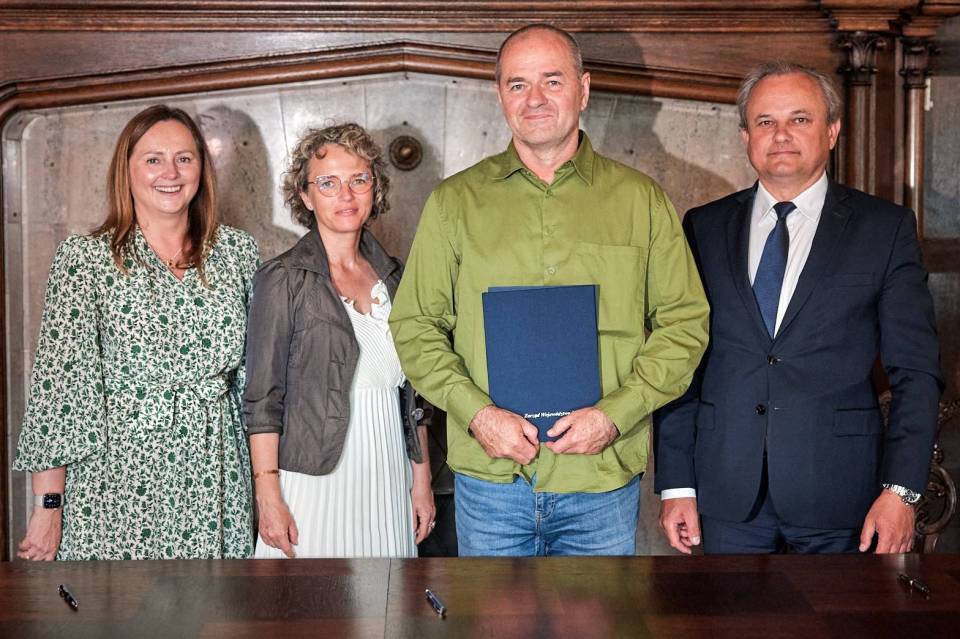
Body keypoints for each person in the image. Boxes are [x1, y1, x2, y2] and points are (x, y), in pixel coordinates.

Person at [389, 24, 709, 557]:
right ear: (500, 96)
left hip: (600, 483)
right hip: (491, 483)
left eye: (552, 81)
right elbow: (415, 326)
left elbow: (684, 324)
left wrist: (615, 415)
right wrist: (478, 415)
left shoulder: (641, 201)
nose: (534, 99)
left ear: (583, 90)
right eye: (517, 84)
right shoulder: (453, 204)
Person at [655, 62, 943, 555]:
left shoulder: (884, 229)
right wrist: (677, 484)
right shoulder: (703, 227)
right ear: (746, 136)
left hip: (843, 497)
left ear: (832, 131)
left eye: (800, 119)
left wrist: (901, 492)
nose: (781, 135)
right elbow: (681, 360)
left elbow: (916, 371)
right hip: (726, 495)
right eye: (765, 121)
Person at [14, 104, 259, 560]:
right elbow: (60, 392)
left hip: (217, 478)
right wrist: (48, 506)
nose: (171, 173)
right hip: (116, 484)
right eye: (153, 159)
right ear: (125, 171)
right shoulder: (86, 260)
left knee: (216, 603)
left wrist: (269, 486)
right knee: (119, 603)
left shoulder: (237, 252)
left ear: (201, 168)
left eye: (184, 158)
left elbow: (256, 381)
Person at [244, 123, 435, 559]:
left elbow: (414, 394)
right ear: (306, 196)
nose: (345, 195)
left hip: (389, 473)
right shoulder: (282, 278)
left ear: (375, 188)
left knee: (386, 599)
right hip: (312, 482)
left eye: (358, 180)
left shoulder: (397, 276)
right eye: (327, 183)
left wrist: (421, 481)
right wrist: (268, 496)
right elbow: (262, 399)